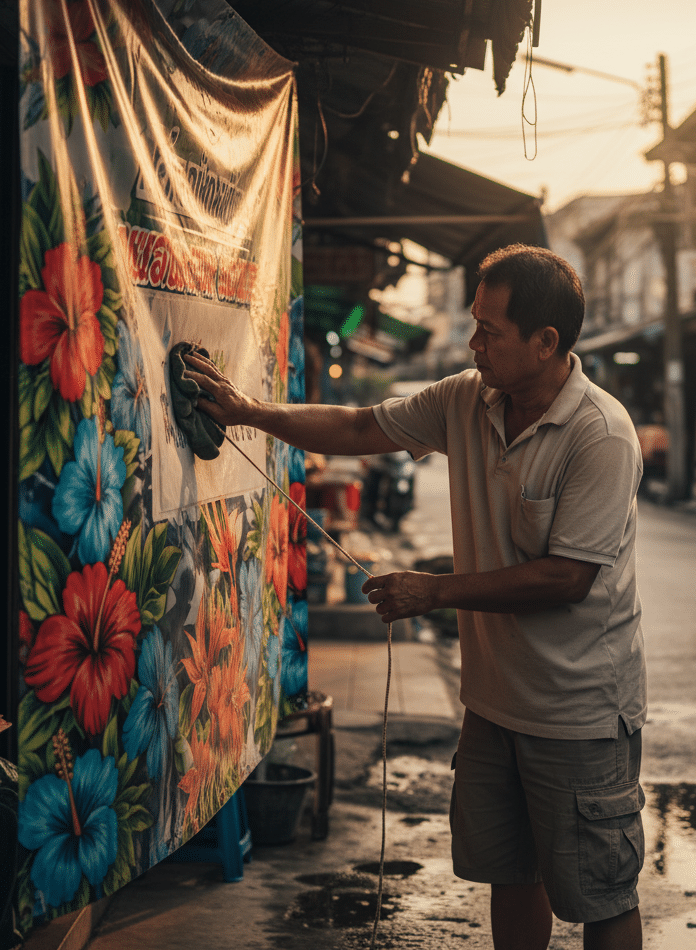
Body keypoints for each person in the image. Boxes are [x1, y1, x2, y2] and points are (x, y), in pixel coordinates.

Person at [183, 244, 647, 950]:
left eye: (490, 330)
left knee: (601, 896)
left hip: (579, 712)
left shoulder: (600, 433)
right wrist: (248, 411)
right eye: (475, 324)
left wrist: (434, 591)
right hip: (493, 704)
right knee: (512, 876)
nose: (473, 343)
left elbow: (566, 578)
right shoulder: (468, 397)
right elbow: (359, 426)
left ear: (546, 342)